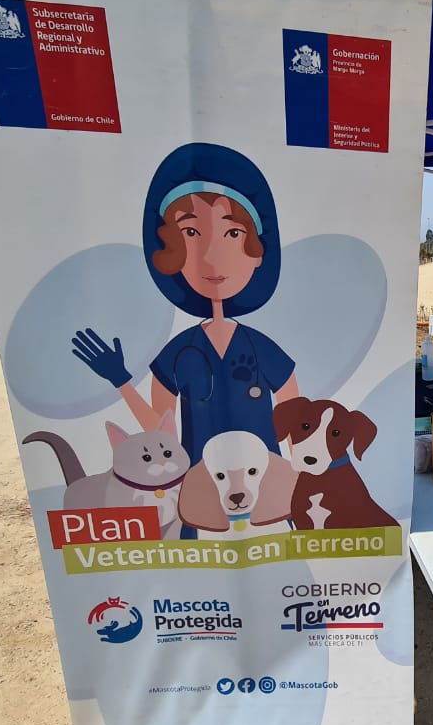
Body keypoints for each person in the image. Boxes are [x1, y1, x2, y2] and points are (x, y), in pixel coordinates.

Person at [72, 143, 298, 535]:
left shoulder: (262, 348)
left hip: (266, 488)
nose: (211, 256)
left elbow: (295, 417)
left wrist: (304, 478)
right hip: (201, 489)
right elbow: (162, 432)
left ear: (257, 252)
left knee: (276, 554)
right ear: (171, 251)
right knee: (200, 557)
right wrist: (121, 381)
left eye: (232, 233)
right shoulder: (178, 352)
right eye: (191, 233)